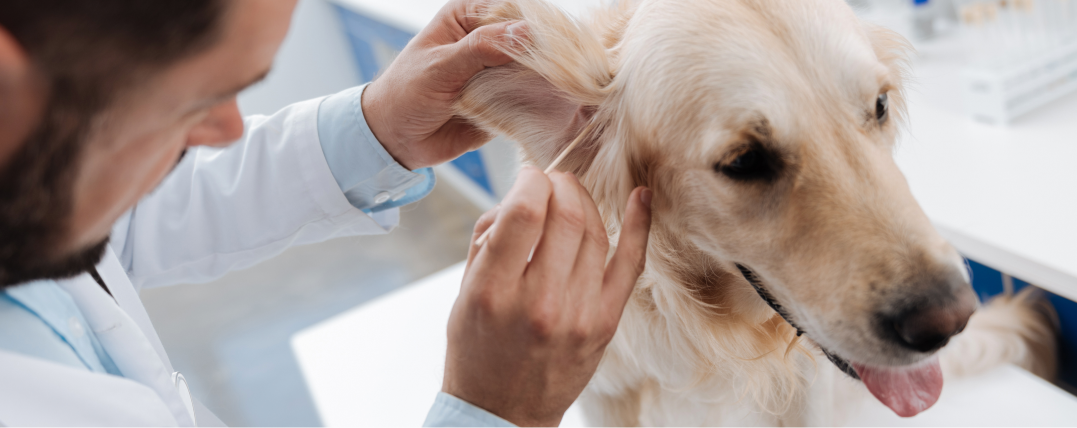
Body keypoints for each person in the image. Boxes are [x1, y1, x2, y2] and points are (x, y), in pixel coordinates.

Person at [0, 0, 652, 426]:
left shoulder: (34, 185)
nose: (227, 131)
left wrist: (373, 132)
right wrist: (493, 409)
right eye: (195, 100)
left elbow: (122, 215)